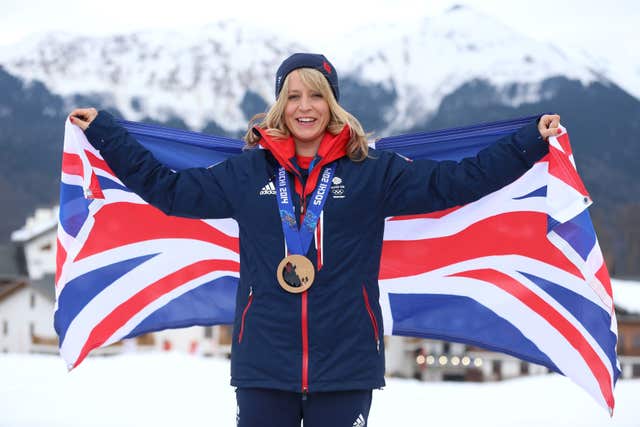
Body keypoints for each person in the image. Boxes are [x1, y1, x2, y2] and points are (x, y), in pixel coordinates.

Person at [69, 52, 560, 427]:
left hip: (345, 365)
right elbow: (170, 190)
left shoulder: (373, 173)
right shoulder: (246, 174)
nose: (306, 107)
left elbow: (457, 181)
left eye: (317, 95)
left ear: (333, 103)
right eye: (295, 96)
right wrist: (108, 136)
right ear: (280, 105)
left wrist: (527, 142)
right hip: (263, 361)